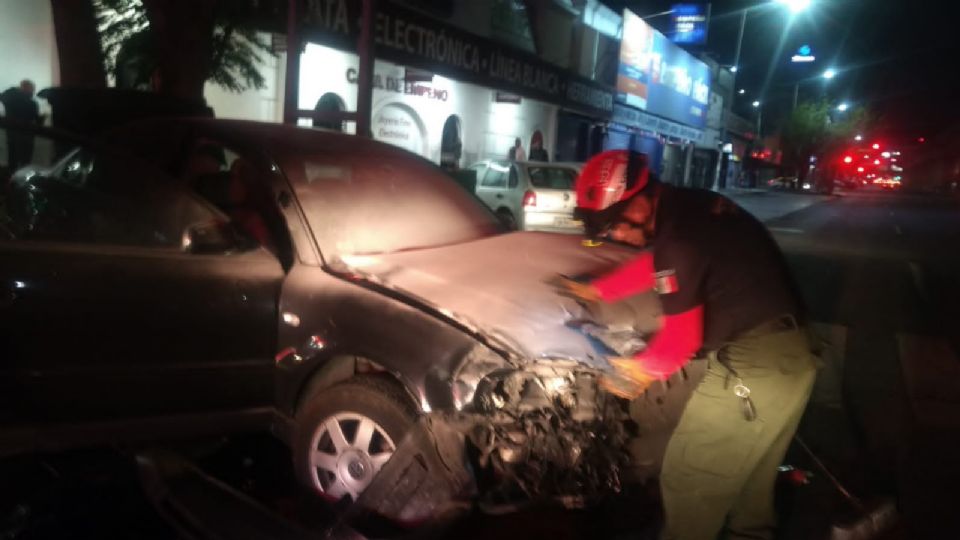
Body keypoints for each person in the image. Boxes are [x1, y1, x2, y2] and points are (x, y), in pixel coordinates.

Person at [560, 149, 817, 540]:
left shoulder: (678, 239)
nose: (615, 236)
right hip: (790, 355)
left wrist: (632, 373)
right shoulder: (691, 207)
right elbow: (657, 267)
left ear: (641, 203)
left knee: (689, 476)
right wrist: (598, 290)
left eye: (614, 225)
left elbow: (680, 341)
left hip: (753, 366)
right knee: (749, 488)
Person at [1, 80, 42, 170]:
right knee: (25, 161)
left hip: (11, 133)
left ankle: (11, 179)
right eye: (32, 89)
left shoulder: (9, 100)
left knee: (12, 159)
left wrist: (13, 89)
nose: (33, 92)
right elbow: (36, 119)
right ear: (28, 89)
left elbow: (2, 96)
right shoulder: (32, 103)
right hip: (26, 134)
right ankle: (22, 180)